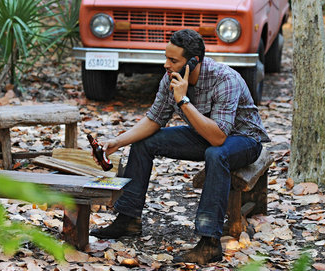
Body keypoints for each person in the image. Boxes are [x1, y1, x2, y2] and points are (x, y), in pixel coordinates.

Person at [91, 29, 269, 264]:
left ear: (194, 62)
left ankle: (209, 243)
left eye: (173, 60)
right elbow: (154, 120)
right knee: (143, 142)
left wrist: (183, 100)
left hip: (243, 139)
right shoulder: (170, 77)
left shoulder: (225, 79)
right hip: (204, 134)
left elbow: (218, 138)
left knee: (216, 154)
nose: (166, 64)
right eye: (166, 57)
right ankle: (128, 219)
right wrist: (118, 141)